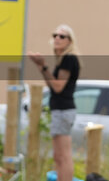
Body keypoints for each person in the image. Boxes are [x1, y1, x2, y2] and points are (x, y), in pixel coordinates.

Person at [29, 24, 80, 181]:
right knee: (58, 156)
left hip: (64, 111)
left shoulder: (69, 59)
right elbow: (52, 84)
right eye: (55, 35)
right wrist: (40, 66)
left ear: (70, 41)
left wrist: (44, 65)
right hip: (60, 110)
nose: (57, 38)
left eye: (62, 36)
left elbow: (58, 87)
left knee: (63, 156)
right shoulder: (62, 60)